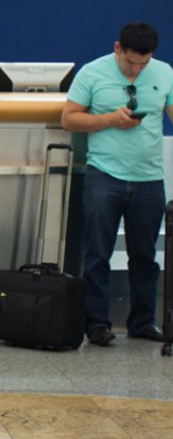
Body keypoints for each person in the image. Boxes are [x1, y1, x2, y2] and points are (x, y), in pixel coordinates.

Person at [61, 22, 173, 346]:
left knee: (145, 256)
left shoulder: (165, 73)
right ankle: (96, 324)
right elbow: (69, 118)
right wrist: (110, 119)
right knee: (97, 253)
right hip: (104, 175)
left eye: (143, 63)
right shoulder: (92, 72)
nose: (136, 69)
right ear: (117, 49)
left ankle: (143, 322)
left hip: (150, 177)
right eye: (130, 62)